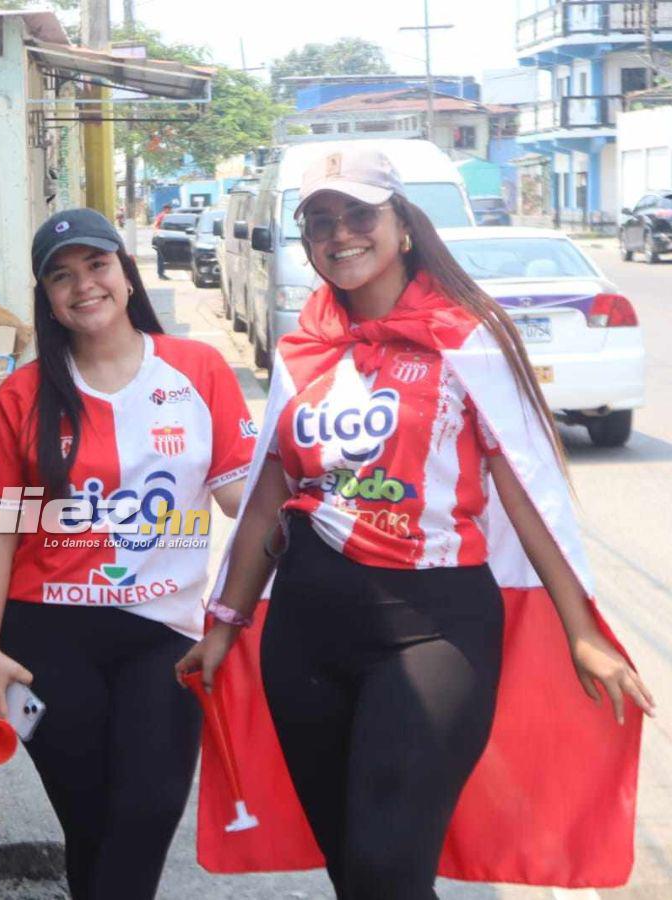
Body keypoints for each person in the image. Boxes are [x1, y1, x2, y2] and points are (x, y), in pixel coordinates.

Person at [177, 148, 653, 896]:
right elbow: (271, 493)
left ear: (403, 227)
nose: (341, 235)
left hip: (436, 626)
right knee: (352, 871)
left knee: (388, 866)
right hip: (306, 632)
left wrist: (583, 631)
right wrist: (226, 624)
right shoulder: (305, 350)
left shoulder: (469, 338)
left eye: (360, 214)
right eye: (321, 222)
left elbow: (527, 492)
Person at [0, 208, 257, 899]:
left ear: (127, 275)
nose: (83, 285)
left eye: (97, 265)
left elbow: (243, 498)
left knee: (147, 813)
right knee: (92, 822)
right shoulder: (22, 394)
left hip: (167, 633)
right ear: (47, 298)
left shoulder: (199, 369)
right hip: (44, 633)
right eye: (61, 276)